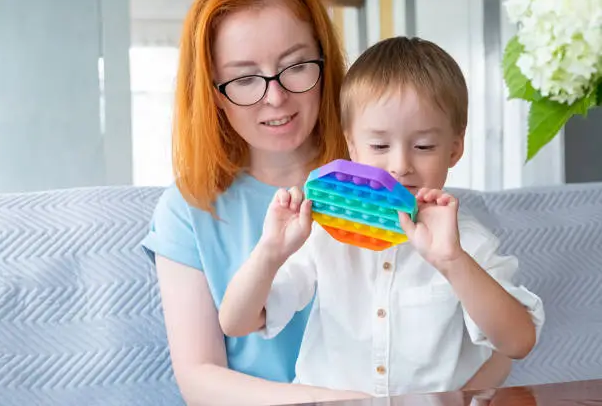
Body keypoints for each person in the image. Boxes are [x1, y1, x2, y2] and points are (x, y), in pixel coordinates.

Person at [219, 36, 546, 397]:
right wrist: (270, 252)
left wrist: (453, 262)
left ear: (455, 149)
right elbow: (236, 322)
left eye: (423, 146)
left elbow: (519, 342)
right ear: (352, 146)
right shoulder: (323, 234)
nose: (400, 166)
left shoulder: (466, 242)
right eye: (379, 146)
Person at [140, 0, 377, 404]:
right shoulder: (189, 208)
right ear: (214, 92)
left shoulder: (376, 180)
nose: (276, 97)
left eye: (297, 66)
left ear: (325, 62)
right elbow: (199, 376)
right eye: (245, 78)